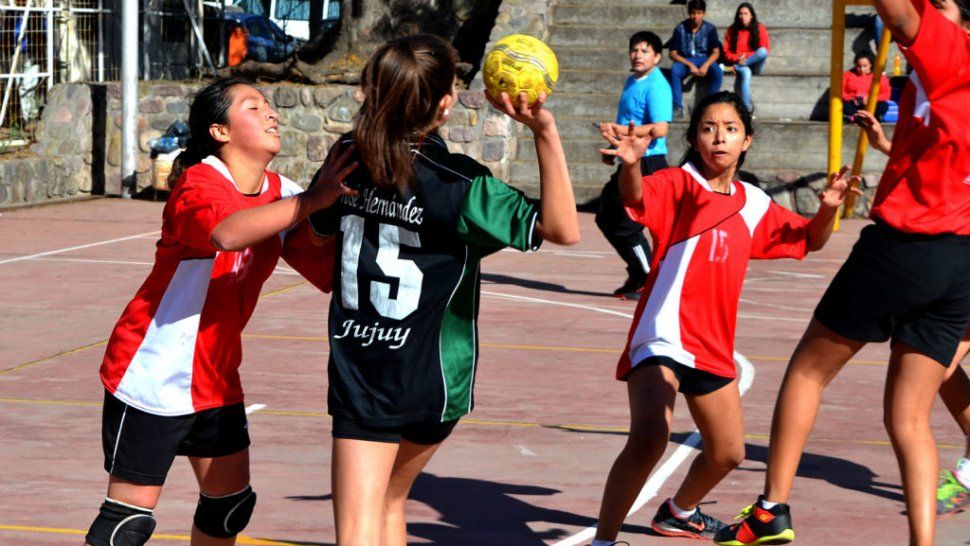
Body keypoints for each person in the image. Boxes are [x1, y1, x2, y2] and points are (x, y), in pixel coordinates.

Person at [306, 34, 579, 546]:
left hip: (365, 371)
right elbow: (563, 228)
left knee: (358, 529)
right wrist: (544, 129)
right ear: (445, 104)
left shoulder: (346, 157)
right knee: (389, 503)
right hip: (435, 381)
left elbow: (318, 227)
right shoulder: (461, 184)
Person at [715, 1, 970, 544]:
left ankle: (770, 512)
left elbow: (899, 14)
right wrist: (891, 146)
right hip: (959, 259)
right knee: (909, 418)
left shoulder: (954, 52)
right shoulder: (943, 79)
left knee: (809, 371)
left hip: (907, 246)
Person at [83, 77, 357, 546]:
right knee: (125, 526)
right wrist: (311, 202)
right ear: (220, 131)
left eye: (269, 104)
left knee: (229, 506)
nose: (270, 112)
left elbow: (327, 273)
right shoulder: (198, 184)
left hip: (215, 375)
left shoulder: (280, 191)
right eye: (253, 106)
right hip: (151, 373)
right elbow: (226, 234)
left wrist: (339, 217)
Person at [587, 91, 859, 545]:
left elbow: (810, 240)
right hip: (662, 336)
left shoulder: (753, 202)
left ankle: (679, 512)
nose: (719, 137)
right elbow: (634, 196)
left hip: (712, 345)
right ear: (695, 138)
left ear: (747, 140)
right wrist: (631, 163)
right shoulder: (677, 184)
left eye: (730, 129)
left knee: (728, 452)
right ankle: (605, 540)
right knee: (651, 435)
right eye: (708, 128)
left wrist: (828, 207)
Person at [854, 108, 970, 517]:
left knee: (938, 365)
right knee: (938, 365)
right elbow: (941, 169)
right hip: (958, 265)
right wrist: (886, 145)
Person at [595, 31, 672, 300]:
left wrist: (626, 131)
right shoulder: (631, 81)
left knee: (626, 225)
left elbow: (661, 129)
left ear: (657, 57)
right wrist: (614, 149)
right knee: (606, 216)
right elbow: (627, 130)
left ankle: (648, 279)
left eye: (644, 51)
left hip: (649, 163)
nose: (638, 55)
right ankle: (639, 272)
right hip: (629, 160)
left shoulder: (657, 85)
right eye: (634, 50)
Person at [668, 0, 723, 119]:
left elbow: (716, 52)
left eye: (699, 13)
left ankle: (711, 105)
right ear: (689, 13)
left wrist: (706, 65)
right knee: (675, 70)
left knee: (718, 72)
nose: (695, 16)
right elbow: (672, 53)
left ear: (703, 13)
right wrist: (689, 64)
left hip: (704, 58)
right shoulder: (680, 28)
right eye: (693, 13)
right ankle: (677, 107)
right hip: (686, 59)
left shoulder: (710, 29)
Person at [722, 2, 770, 112]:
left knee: (762, 51)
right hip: (741, 64)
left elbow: (764, 49)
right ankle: (747, 109)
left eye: (745, 13)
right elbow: (726, 51)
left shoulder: (759, 28)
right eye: (740, 14)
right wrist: (737, 58)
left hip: (755, 63)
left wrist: (745, 58)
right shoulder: (732, 29)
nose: (743, 16)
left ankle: (735, 67)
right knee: (746, 73)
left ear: (751, 15)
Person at [842, 52, 891, 121]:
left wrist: (870, 99)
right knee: (840, 104)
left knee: (883, 106)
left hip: (871, 104)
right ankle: (863, 117)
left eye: (865, 66)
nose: (861, 69)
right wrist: (851, 99)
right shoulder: (847, 75)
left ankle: (858, 117)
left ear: (870, 65)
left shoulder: (879, 77)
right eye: (859, 66)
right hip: (853, 104)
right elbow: (841, 92)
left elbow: (886, 95)